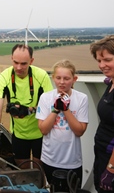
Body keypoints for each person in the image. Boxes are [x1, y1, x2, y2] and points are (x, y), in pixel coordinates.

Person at [0, 44, 53, 169]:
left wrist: (28, 111)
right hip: (19, 134)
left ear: (32, 61)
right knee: (24, 171)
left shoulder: (41, 76)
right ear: (11, 59)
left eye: (24, 64)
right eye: (16, 62)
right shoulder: (4, 77)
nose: (19, 67)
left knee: (39, 171)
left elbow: (50, 108)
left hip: (40, 134)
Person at [35, 59, 88, 187]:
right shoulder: (45, 97)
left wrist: (66, 109)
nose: (62, 82)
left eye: (66, 78)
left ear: (74, 79)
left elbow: (79, 131)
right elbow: (43, 129)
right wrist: (55, 110)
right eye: (58, 78)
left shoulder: (81, 98)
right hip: (50, 159)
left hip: (72, 161)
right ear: (53, 78)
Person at [90, 35, 114, 192]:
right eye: (99, 60)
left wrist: (111, 169)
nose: (102, 65)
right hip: (101, 153)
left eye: (107, 60)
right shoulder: (110, 82)